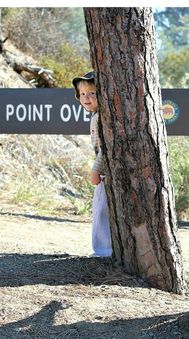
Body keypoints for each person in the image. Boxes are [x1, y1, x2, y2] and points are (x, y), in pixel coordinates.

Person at [72, 72, 112, 257]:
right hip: (106, 171)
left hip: (106, 172)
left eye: (92, 93)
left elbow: (106, 147)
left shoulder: (101, 117)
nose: (86, 98)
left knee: (101, 210)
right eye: (82, 94)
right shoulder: (96, 116)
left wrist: (97, 169)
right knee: (101, 209)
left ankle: (103, 251)